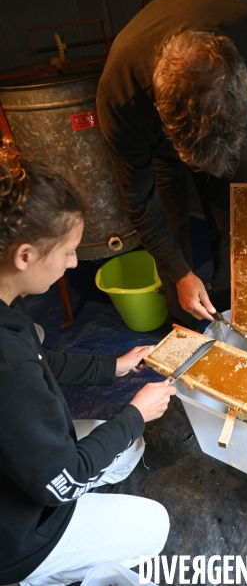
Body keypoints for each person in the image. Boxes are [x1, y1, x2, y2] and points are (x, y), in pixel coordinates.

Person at [0, 141, 175, 586]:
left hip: (18, 461)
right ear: (25, 255)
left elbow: (41, 359)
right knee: (155, 525)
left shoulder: (9, 303)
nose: (75, 261)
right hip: (13, 538)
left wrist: (112, 367)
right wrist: (136, 413)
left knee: (124, 448)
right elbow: (61, 478)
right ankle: (37, 574)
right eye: (69, 251)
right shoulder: (8, 366)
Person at [97, 0, 247, 329]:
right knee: (171, 218)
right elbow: (140, 201)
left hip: (245, 79)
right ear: (159, 112)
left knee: (227, 208)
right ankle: (184, 316)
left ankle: (225, 303)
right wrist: (178, 272)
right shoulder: (122, 97)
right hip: (160, 145)